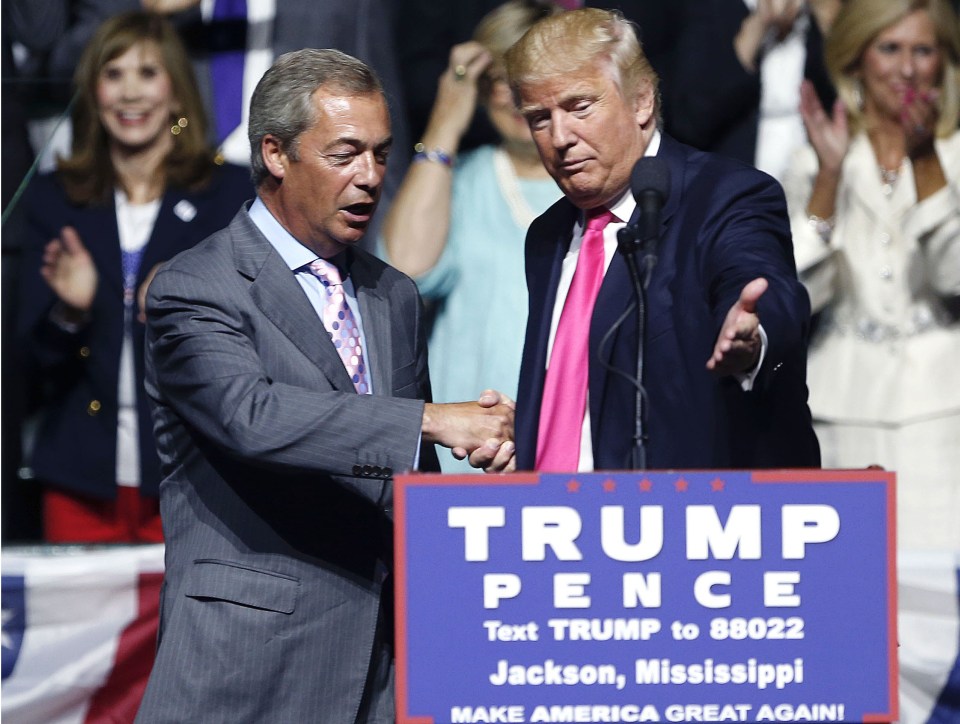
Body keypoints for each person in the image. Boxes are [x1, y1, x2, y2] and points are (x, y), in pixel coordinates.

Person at [135, 49, 515, 722]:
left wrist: (477, 469)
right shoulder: (196, 287)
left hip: (379, 665)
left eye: (380, 153)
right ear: (276, 153)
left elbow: (404, 478)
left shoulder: (393, 294)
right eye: (345, 154)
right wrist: (429, 419)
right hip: (250, 664)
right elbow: (251, 417)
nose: (370, 177)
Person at [504, 8, 820, 472]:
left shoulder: (725, 195)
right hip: (557, 525)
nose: (560, 137)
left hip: (699, 522)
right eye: (539, 118)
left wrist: (753, 337)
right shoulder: (548, 235)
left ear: (641, 102)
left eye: (578, 106)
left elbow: (759, 282)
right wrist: (531, 432)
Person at [16, 12, 252, 543]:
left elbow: (256, 343)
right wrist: (69, 313)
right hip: (79, 479)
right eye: (113, 73)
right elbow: (27, 370)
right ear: (93, 92)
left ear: (176, 92)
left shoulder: (231, 194)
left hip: (196, 475)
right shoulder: (55, 199)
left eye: (147, 73)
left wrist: (188, 293)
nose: (130, 92)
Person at [782, 0, 960, 550]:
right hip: (842, 406)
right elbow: (798, 296)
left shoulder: (955, 154)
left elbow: (953, 275)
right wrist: (829, 180)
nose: (906, 69)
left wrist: (926, 159)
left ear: (943, 63)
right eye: (890, 48)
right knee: (854, 593)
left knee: (933, 606)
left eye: (922, 50)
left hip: (941, 408)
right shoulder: (814, 160)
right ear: (857, 60)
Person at [381, 0, 561, 472]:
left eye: (529, 76)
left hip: (569, 459)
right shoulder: (463, 182)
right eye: (497, 80)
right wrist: (445, 122)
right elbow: (404, 269)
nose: (513, 96)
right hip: (467, 458)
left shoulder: (597, 188)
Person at [668, 0, 840, 182]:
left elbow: (845, 96)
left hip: (811, 181)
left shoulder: (819, 11)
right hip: (734, 187)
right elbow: (689, 121)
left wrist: (828, 22)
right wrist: (758, 25)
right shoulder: (709, 9)